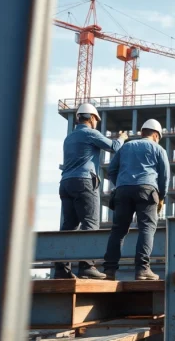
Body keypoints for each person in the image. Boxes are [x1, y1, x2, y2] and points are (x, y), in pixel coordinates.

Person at [55, 103, 127, 279]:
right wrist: (122, 137)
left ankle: (61, 269)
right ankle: (87, 266)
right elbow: (115, 147)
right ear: (92, 118)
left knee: (69, 226)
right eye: (96, 120)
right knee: (90, 224)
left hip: (65, 183)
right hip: (84, 182)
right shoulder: (90, 133)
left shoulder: (69, 138)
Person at [103, 119, 169, 281]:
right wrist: (161, 196)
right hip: (147, 191)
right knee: (146, 228)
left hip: (122, 191)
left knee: (118, 231)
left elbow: (111, 170)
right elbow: (165, 176)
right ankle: (142, 269)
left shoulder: (125, 147)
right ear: (155, 135)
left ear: (142, 133)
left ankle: (109, 271)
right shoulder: (158, 149)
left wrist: (120, 184)